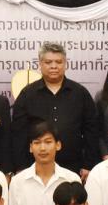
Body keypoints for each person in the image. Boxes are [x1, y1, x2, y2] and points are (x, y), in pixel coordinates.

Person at [11, 42, 102, 177]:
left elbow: (92, 131)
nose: (54, 66)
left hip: (73, 168)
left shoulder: (80, 93)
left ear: (65, 64)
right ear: (40, 64)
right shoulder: (27, 94)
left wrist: (89, 165)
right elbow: (19, 134)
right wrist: (21, 167)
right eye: (48, 62)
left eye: (58, 62)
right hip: (34, 169)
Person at [6, 121, 80, 205]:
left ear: (58, 145)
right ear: (30, 147)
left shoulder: (71, 179)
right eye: (37, 143)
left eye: (48, 142)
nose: (43, 148)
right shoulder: (18, 182)